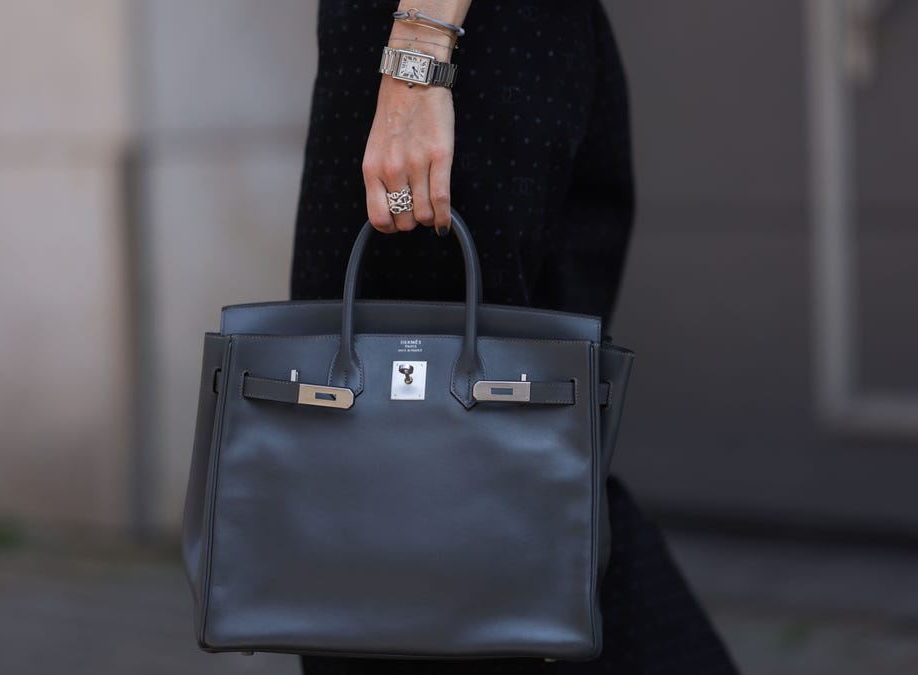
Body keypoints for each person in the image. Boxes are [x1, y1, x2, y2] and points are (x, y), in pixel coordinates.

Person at [291, 2, 739, 673]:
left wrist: (419, 56)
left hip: (449, 48)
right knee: (531, 464)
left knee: (389, 481)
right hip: (514, 48)